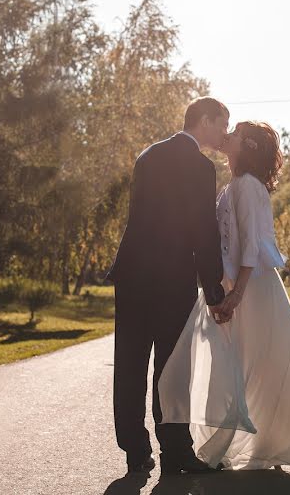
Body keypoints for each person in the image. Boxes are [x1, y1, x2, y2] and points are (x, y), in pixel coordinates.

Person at [158, 120, 290, 470]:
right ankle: (259, 441)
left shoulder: (246, 186)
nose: (226, 135)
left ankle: (271, 440)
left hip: (251, 288)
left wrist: (236, 295)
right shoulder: (236, 185)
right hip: (239, 285)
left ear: (249, 147)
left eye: (235, 133)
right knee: (247, 366)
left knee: (257, 367)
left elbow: (250, 246)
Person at [106, 97, 232, 476]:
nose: (225, 132)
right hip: (171, 280)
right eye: (223, 123)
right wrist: (214, 290)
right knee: (172, 369)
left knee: (129, 366)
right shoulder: (200, 166)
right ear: (205, 120)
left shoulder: (147, 156)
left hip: (131, 277)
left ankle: (135, 452)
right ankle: (176, 450)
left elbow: (139, 218)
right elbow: (203, 232)